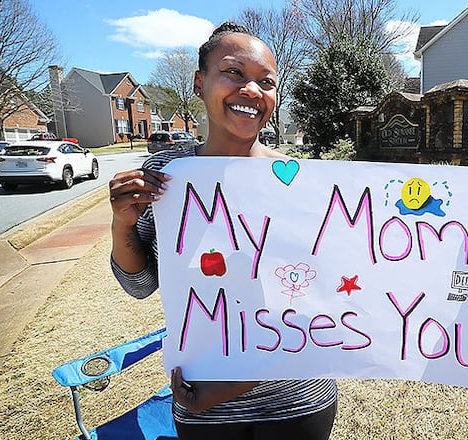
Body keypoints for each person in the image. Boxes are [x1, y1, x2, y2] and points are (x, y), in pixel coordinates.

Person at [107, 22, 338, 440]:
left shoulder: (299, 182)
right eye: (234, 72)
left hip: (297, 403)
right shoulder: (165, 178)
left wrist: (228, 388)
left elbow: (315, 306)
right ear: (200, 82)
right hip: (203, 406)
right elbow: (140, 287)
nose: (251, 90)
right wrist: (121, 224)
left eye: (265, 82)